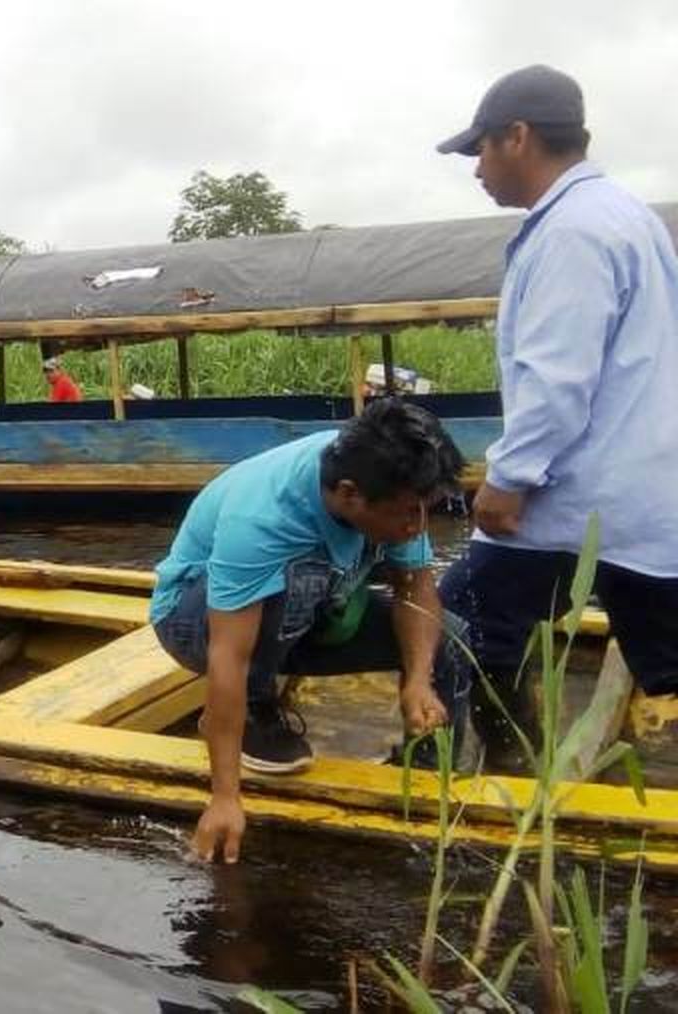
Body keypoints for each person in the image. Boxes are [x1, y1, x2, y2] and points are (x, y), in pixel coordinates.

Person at [433, 64, 678, 762]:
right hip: (649, 499)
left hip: (573, 499)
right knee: (667, 661)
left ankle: (509, 774)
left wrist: (508, 479)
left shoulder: (570, 232)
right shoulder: (627, 216)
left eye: (478, 149)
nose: (475, 167)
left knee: (457, 625)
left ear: (518, 137)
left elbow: (558, 379)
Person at [149, 399, 469, 864]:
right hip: (191, 619)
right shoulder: (264, 518)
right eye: (407, 514)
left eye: (426, 511)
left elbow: (415, 587)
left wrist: (418, 678)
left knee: (452, 638)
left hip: (313, 611)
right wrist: (224, 799)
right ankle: (258, 710)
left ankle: (424, 780)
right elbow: (228, 657)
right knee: (299, 575)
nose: (417, 526)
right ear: (349, 494)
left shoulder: (394, 487)